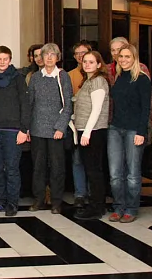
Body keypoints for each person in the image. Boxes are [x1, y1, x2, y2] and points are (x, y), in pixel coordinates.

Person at [26, 43, 73, 214]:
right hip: (37, 129)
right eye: (46, 54)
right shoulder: (36, 78)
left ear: (57, 57)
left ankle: (56, 202)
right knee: (38, 167)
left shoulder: (63, 76)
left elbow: (68, 105)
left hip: (56, 131)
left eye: (53, 54)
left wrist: (60, 127)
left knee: (57, 167)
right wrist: (27, 128)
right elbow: (29, 104)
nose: (49, 57)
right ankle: (39, 200)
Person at [0, 46, 30, 216]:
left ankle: (12, 203)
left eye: (5, 59)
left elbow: (25, 104)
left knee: (11, 169)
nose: (2, 62)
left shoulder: (18, 78)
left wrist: (24, 129)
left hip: (13, 130)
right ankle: (0, 202)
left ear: (10, 60)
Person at [107, 44, 151, 223]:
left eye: (127, 56)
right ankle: (118, 206)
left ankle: (131, 208)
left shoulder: (142, 79)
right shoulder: (118, 77)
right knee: (115, 172)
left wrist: (142, 131)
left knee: (132, 172)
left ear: (134, 58)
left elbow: (146, 108)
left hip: (134, 130)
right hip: (115, 129)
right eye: (121, 56)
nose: (123, 59)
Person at [71, 51, 110, 220]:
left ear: (99, 64)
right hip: (84, 130)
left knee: (94, 171)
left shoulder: (98, 81)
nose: (87, 64)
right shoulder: (87, 81)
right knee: (90, 169)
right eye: (85, 61)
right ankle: (95, 204)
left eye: (91, 62)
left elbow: (97, 109)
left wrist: (86, 132)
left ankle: (97, 207)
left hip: (93, 131)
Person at [68, 41, 92, 208]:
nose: (80, 56)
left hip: (95, 124)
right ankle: (80, 194)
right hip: (76, 123)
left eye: (84, 52)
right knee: (77, 160)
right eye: (77, 53)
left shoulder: (98, 74)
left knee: (93, 160)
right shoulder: (70, 75)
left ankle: (93, 193)